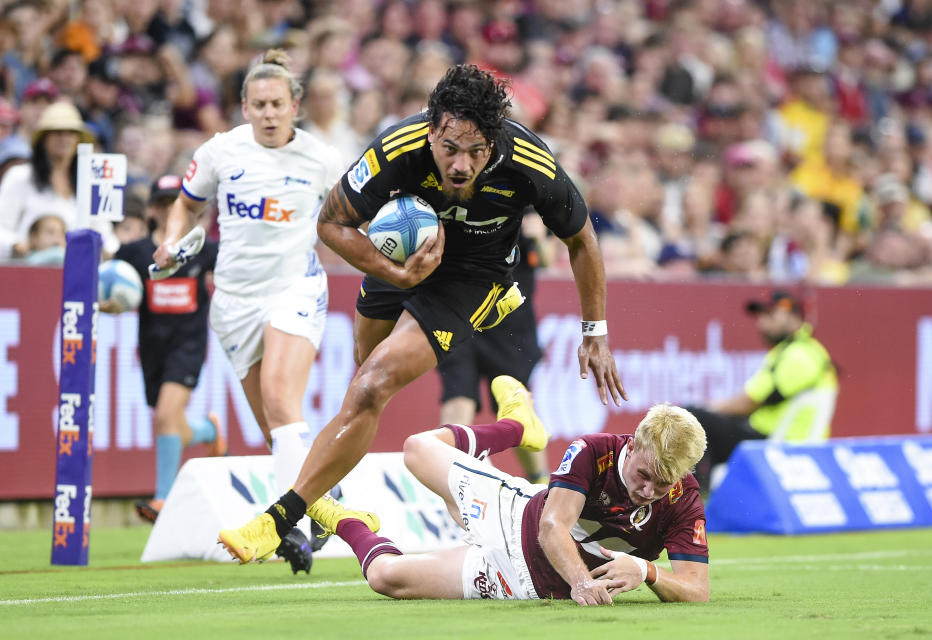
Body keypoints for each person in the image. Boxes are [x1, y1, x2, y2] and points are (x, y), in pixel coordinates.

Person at [217, 64, 626, 566]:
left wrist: (595, 332)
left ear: (494, 143)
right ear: (431, 132)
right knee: (362, 384)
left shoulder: (530, 161)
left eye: (476, 152)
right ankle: (517, 427)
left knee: (373, 384)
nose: (461, 165)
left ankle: (278, 520)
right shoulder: (396, 147)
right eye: (449, 148)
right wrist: (396, 272)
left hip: (473, 278)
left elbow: (581, 239)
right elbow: (332, 223)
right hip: (398, 260)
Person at [152, 50, 344, 572]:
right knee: (274, 428)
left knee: (284, 405)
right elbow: (187, 203)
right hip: (234, 301)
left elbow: (358, 211)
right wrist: (171, 242)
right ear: (242, 107)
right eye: (257, 104)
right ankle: (321, 494)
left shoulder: (322, 160)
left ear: (295, 106)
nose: (268, 113)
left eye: (277, 104)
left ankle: (287, 523)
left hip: (294, 290)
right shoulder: (220, 152)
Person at [307, 376, 709, 604]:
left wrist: (647, 571)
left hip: (519, 582)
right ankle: (517, 427)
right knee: (417, 448)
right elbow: (552, 527)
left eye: (663, 483)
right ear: (634, 443)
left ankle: (348, 522)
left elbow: (697, 590)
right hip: (511, 515)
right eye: (645, 474)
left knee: (384, 577)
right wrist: (582, 583)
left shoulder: (684, 499)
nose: (649, 490)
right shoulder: (594, 450)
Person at [104, 175, 223, 523]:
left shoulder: (205, 249)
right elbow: (112, 289)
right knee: (169, 422)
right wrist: (108, 304)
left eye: (177, 202)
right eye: (162, 202)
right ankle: (208, 431)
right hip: (152, 348)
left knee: (166, 413)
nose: (170, 208)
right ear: (153, 210)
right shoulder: (135, 253)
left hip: (188, 344)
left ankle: (162, 499)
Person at [687, 290, 838, 494]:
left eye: (770, 315)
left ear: (794, 317)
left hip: (774, 440)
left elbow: (751, 402)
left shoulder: (799, 354)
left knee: (691, 417)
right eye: (761, 316)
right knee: (707, 424)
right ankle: (705, 492)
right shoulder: (798, 351)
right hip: (770, 435)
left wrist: (710, 407)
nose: (762, 323)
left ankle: (691, 496)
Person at [437, 226, 550, 483]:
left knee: (514, 402)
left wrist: (537, 236)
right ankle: (446, 479)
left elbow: (546, 255)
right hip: (458, 305)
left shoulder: (534, 194)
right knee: (458, 396)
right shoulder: (450, 191)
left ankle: (542, 486)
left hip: (509, 316)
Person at [0, 100, 118, 259]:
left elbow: (103, 231)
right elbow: (2, 228)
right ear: (44, 139)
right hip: (28, 269)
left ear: (78, 140)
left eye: (70, 132)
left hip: (79, 269)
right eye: (57, 132)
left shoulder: (89, 183)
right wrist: (18, 245)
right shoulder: (20, 176)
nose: (64, 138)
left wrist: (107, 249)